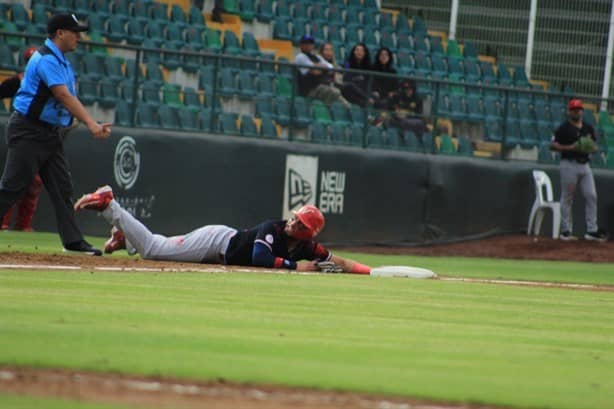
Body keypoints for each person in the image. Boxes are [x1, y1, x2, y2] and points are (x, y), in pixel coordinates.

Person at [0, 13, 112, 255]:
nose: (78, 37)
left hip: (49, 133)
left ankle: (72, 241)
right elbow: (63, 95)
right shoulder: (47, 59)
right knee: (11, 187)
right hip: (29, 130)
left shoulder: (61, 61)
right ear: (60, 33)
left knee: (62, 188)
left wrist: (73, 121)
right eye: (74, 32)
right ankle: (73, 241)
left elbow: (66, 99)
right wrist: (91, 124)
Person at [73, 185, 372, 274]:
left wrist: (370, 272)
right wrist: (297, 267)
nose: (293, 222)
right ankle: (109, 205)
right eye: (295, 218)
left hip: (219, 252)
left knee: (156, 246)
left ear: (309, 233)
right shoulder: (274, 229)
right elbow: (260, 259)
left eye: (301, 224)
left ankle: (126, 238)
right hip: (216, 242)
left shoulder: (307, 247)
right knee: (152, 250)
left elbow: (337, 261)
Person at [550, 99, 608, 242]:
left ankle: (591, 230)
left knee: (591, 195)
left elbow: (595, 147)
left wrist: (590, 147)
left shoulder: (587, 128)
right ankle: (566, 231)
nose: (577, 111)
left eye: (579, 109)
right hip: (569, 164)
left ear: (582, 111)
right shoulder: (563, 128)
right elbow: (552, 146)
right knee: (567, 197)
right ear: (570, 111)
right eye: (574, 109)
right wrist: (570, 147)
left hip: (585, 165)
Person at [1, 47, 43, 231]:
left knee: (33, 181)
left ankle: (23, 225)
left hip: (40, 135)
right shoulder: (18, 81)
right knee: (15, 178)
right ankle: (3, 222)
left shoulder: (47, 82)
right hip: (20, 133)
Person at [294, 35, 351, 109]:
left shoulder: (316, 57)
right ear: (301, 45)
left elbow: (330, 67)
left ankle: (352, 111)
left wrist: (320, 68)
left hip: (320, 86)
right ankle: (327, 111)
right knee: (334, 92)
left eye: (310, 43)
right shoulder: (300, 57)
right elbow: (315, 71)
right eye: (305, 43)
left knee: (342, 93)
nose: (308, 45)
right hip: (309, 90)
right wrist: (322, 68)